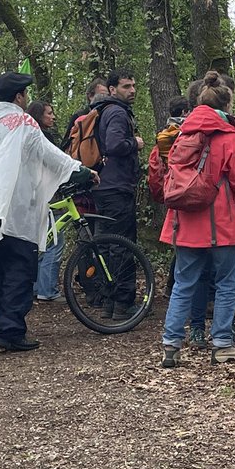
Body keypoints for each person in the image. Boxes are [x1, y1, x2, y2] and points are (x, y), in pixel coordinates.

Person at [0, 72, 96, 351]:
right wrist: (81, 171)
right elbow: (50, 155)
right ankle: (11, 333)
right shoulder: (23, 123)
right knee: (19, 270)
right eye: (26, 95)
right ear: (19, 96)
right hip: (16, 210)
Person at [160, 71, 235, 367]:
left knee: (183, 282)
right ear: (227, 105)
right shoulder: (228, 137)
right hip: (220, 222)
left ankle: (170, 345)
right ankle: (223, 343)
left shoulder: (182, 135)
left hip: (185, 221)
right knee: (226, 283)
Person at [91, 69, 144, 319]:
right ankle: (124, 303)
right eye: (126, 86)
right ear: (112, 90)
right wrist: (135, 143)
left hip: (103, 186)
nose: (132, 90)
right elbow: (114, 145)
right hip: (116, 188)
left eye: (133, 85)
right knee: (122, 245)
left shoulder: (103, 111)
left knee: (109, 245)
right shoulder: (117, 113)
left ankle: (110, 303)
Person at [28, 99, 66, 303]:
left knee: (40, 242)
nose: (53, 117)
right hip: (48, 197)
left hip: (35, 196)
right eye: (49, 113)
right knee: (55, 242)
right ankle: (47, 289)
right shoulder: (43, 138)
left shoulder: (27, 136)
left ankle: (35, 286)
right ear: (38, 116)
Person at [62, 78, 109, 148]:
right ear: (90, 96)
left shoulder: (108, 116)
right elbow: (66, 143)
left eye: (107, 96)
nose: (105, 99)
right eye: (102, 95)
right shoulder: (79, 116)